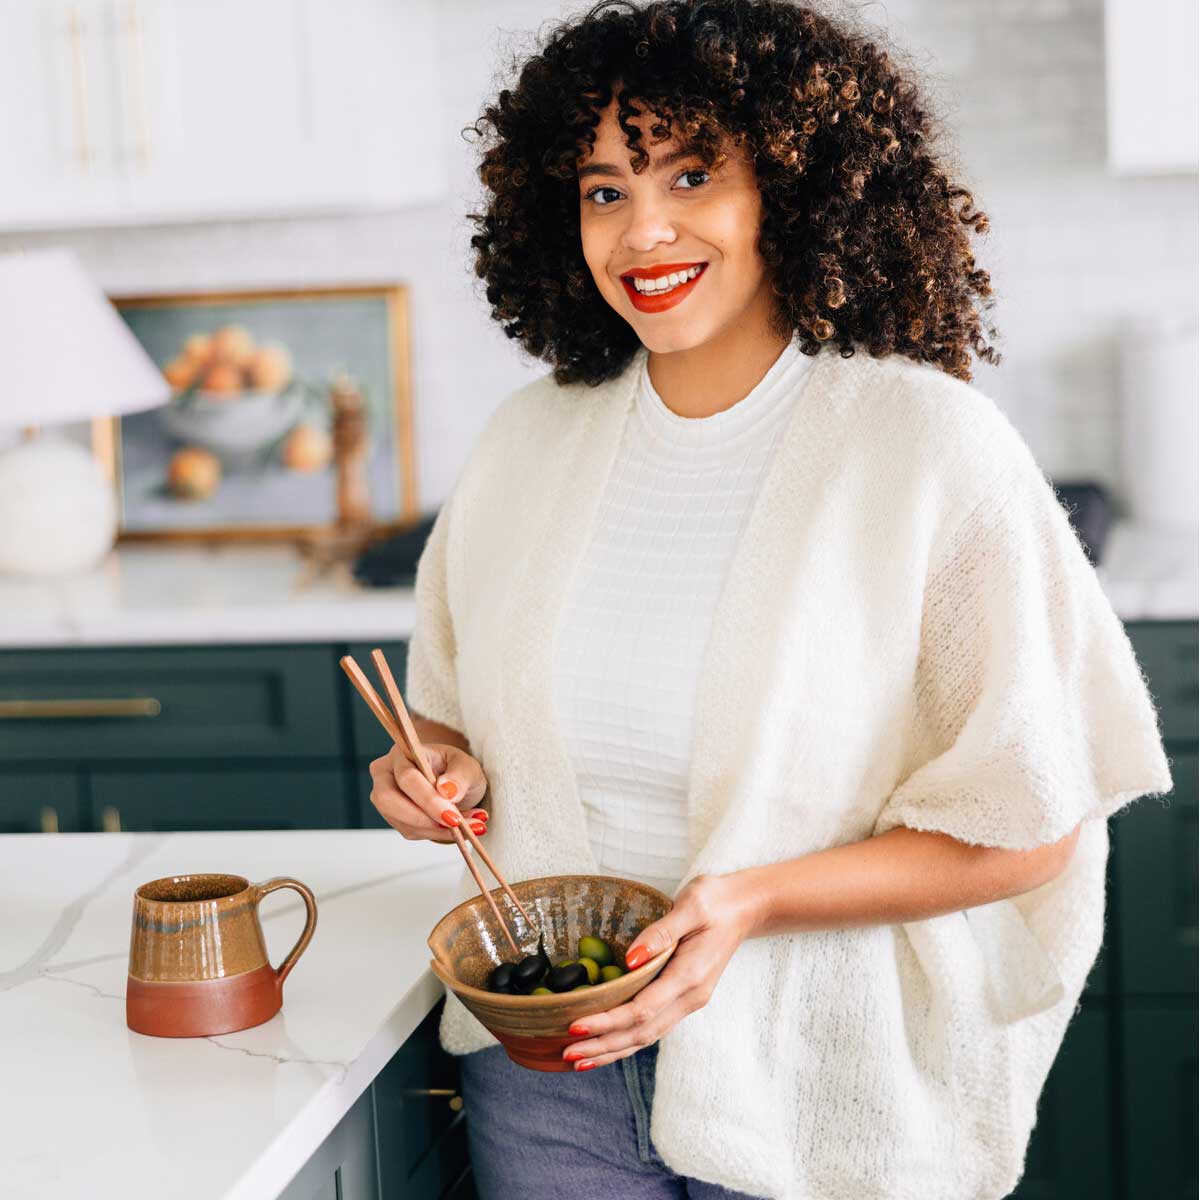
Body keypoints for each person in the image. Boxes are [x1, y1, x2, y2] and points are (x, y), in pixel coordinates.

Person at [365, 2, 1173, 1197]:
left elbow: (1031, 815)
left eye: (693, 173)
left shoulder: (925, 446)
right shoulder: (529, 444)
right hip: (552, 1070)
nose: (644, 230)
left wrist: (750, 902)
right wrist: (434, 771)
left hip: (817, 1075)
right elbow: (448, 723)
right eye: (602, 191)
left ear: (795, 190)